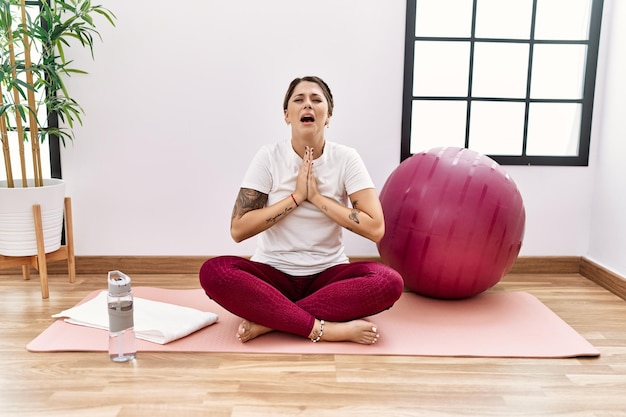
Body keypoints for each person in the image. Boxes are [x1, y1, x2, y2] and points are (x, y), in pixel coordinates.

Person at [199, 76, 404, 345]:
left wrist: (316, 198)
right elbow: (238, 229)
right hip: (273, 274)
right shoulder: (269, 156)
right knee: (215, 271)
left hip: (328, 275)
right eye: (299, 99)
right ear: (287, 115)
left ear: (328, 116)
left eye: (316, 100)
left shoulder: (346, 158)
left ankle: (271, 320)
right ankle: (325, 329)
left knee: (388, 281)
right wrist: (296, 198)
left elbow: (375, 227)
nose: (308, 104)